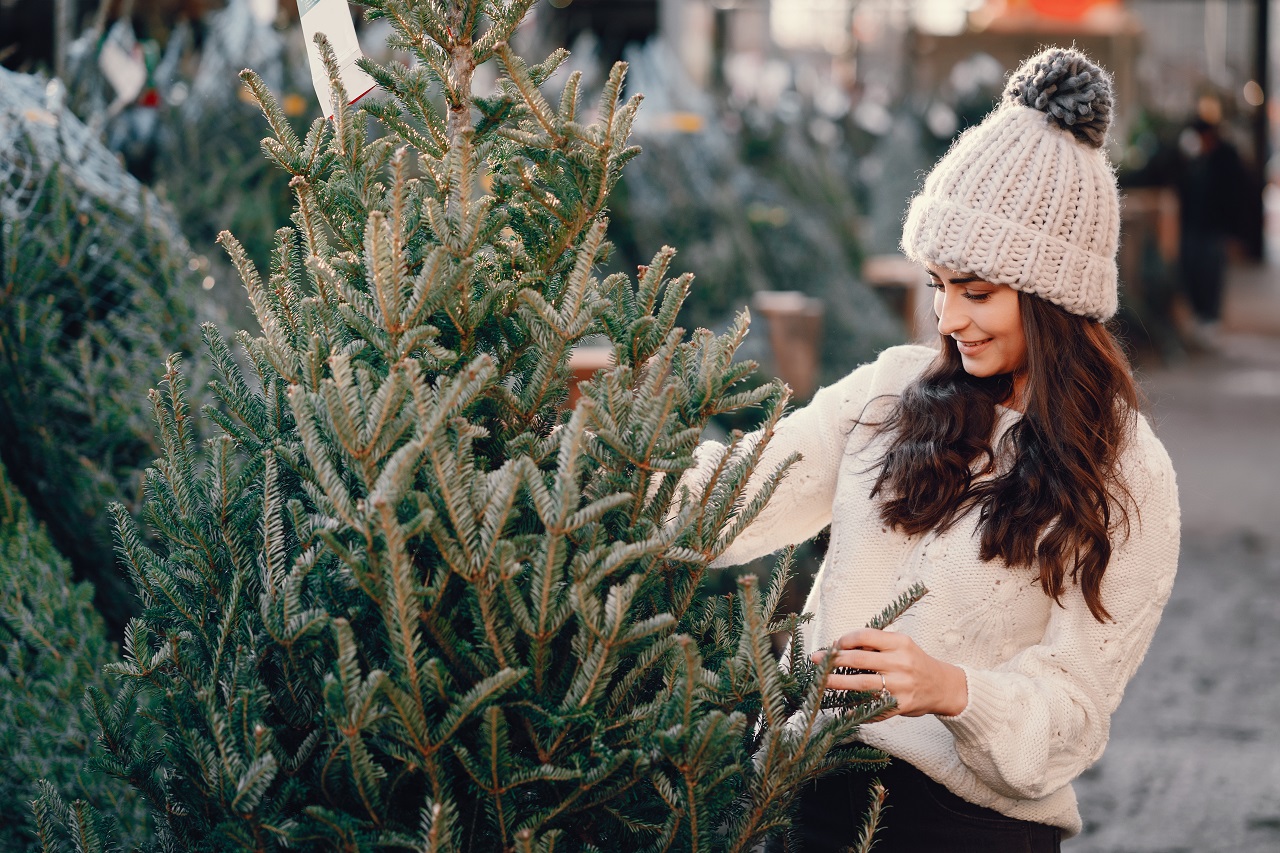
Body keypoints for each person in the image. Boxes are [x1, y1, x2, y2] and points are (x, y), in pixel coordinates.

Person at [681, 48, 1180, 851]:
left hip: (969, 827)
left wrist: (952, 689)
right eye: (938, 284)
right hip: (808, 797)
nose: (948, 317)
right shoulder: (890, 391)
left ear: (1054, 297)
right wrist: (595, 472)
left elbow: (1076, 715)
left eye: (977, 292)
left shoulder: (1126, 470)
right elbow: (746, 491)